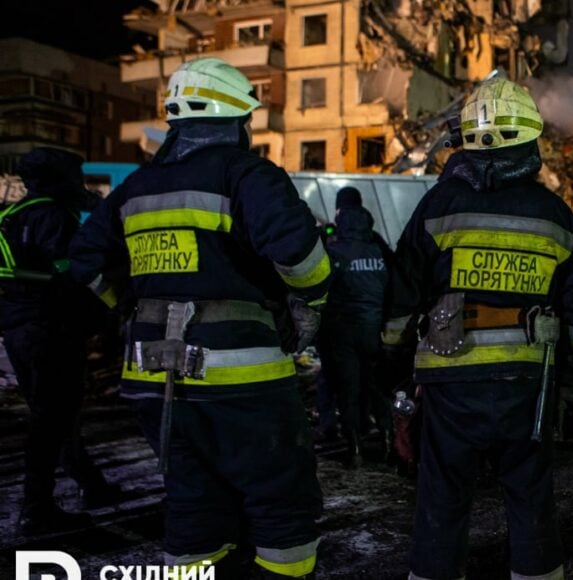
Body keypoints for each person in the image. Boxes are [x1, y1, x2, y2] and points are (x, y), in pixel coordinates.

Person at [69, 57, 328, 579]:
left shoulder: (136, 187)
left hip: (152, 375)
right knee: (280, 496)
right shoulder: (246, 173)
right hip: (240, 375)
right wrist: (309, 304)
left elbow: (85, 263)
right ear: (237, 121)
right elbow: (301, 256)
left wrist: (131, 306)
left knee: (192, 500)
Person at [383, 76, 573, 580]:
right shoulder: (555, 215)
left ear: (464, 140)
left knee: (442, 496)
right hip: (527, 383)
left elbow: (401, 293)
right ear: (530, 138)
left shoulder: (439, 206)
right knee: (530, 497)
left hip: (448, 379)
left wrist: (391, 363)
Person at [0, 147, 123, 535]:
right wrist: (108, 311)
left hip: (19, 327)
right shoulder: (53, 217)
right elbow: (73, 276)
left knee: (52, 414)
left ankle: (91, 485)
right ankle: (37, 509)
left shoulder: (12, 215)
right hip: (49, 329)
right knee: (52, 417)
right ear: (59, 179)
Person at [318, 186, 393, 467]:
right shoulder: (377, 249)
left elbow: (322, 289)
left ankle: (356, 450)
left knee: (347, 388)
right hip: (374, 329)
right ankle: (388, 441)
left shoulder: (334, 252)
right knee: (376, 388)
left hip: (343, 332)